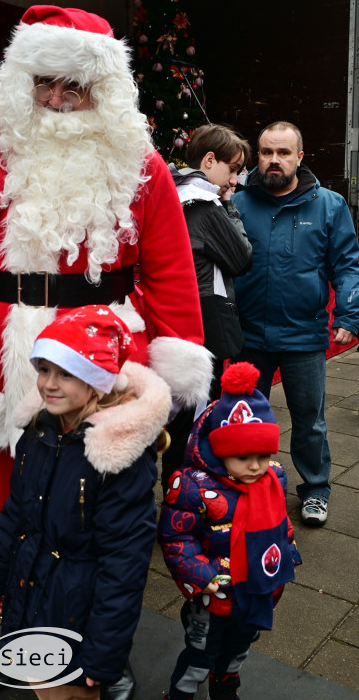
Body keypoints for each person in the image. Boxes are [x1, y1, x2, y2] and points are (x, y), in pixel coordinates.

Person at [0, 4, 213, 522]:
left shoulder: (139, 164)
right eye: (43, 83)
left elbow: (169, 268)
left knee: (98, 477)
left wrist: (179, 351)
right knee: (4, 479)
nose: (55, 100)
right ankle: (12, 572)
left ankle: (90, 576)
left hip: (99, 337)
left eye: (72, 87)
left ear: (102, 91)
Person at [0, 304, 173, 699]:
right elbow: (15, 515)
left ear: (97, 381)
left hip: (77, 610)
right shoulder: (41, 430)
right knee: (41, 687)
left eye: (66, 372)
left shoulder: (116, 459)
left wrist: (103, 654)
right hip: (33, 591)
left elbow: (124, 565)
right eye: (44, 369)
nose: (48, 383)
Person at [233, 121, 359, 527]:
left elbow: (346, 265)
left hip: (303, 334)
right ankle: (243, 488)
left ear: (299, 157)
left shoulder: (330, 205)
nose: (274, 160)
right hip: (248, 333)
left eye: (283, 153)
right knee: (245, 417)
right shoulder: (236, 203)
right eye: (267, 152)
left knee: (310, 422)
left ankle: (316, 490)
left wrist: (349, 315)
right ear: (258, 155)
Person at [158, 362, 301, 700]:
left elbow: (281, 524)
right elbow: (177, 536)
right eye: (244, 457)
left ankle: (225, 685)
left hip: (259, 590)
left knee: (239, 649)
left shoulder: (273, 478)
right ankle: (180, 694)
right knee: (200, 654)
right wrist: (199, 573)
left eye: (263, 455)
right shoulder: (192, 486)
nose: (256, 466)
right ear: (219, 451)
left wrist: (287, 557)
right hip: (214, 593)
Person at [161, 125, 252, 495]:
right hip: (203, 322)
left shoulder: (171, 193)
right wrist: (228, 203)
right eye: (232, 169)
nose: (235, 180)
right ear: (209, 160)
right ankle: (183, 500)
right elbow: (242, 256)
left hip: (171, 317)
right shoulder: (206, 204)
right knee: (194, 417)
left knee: (172, 416)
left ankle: (168, 495)